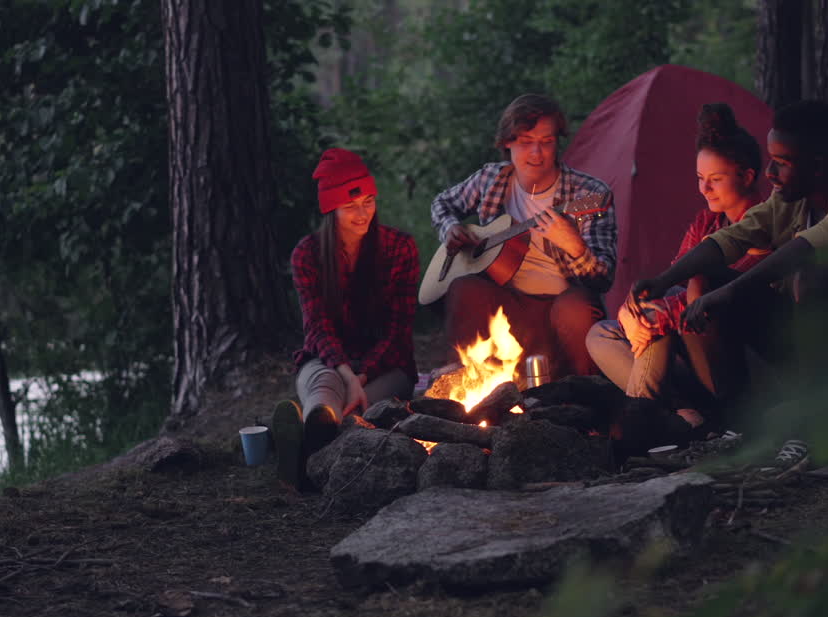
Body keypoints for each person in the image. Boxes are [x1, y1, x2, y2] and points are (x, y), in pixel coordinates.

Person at [626, 99, 828, 468]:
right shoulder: (789, 200)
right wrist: (664, 279)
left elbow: (808, 247)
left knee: (812, 276)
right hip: (806, 346)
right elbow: (733, 237)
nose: (769, 172)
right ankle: (739, 427)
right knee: (710, 281)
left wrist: (733, 291)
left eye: (781, 163)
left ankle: (815, 430)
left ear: (817, 165)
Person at [586, 103, 771, 458]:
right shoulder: (705, 224)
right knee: (601, 333)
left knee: (665, 325)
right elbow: (672, 282)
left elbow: (722, 292)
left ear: (747, 176)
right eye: (700, 179)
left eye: (715, 180)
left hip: (736, 363)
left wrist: (656, 317)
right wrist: (632, 310)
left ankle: (643, 426)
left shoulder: (764, 225)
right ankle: (681, 415)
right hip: (689, 359)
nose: (705, 189)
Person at [430, 94, 617, 379]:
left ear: (557, 142)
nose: (536, 153)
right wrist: (451, 228)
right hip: (508, 306)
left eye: (546, 142)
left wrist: (575, 247)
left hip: (561, 308)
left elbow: (603, 278)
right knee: (465, 289)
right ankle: (466, 386)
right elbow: (441, 204)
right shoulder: (491, 180)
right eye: (526, 141)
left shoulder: (588, 194)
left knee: (576, 307)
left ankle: (584, 396)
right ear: (507, 142)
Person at [273, 148, 419, 491]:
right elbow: (317, 326)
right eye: (350, 206)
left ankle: (303, 458)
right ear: (330, 209)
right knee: (325, 391)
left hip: (386, 364)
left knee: (365, 410)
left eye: (368, 201)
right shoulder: (307, 254)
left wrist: (362, 373)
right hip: (327, 360)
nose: (362, 213)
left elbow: (399, 329)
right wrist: (345, 373)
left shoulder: (400, 248)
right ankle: (315, 425)